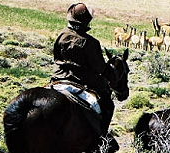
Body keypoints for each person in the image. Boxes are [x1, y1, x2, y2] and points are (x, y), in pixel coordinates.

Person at [52, 2, 119, 152]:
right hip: (82, 82)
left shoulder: (61, 36)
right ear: (86, 22)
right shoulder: (91, 43)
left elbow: (56, 57)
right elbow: (100, 68)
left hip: (58, 78)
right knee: (108, 105)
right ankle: (100, 139)